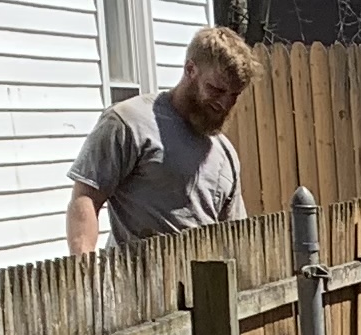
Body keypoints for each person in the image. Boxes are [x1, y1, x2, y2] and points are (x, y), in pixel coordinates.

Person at [65, 26, 256, 252]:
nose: (224, 104)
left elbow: (235, 237)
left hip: (203, 284)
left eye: (234, 95)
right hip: (134, 283)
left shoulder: (225, 155)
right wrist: (85, 273)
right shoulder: (129, 122)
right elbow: (86, 197)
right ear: (190, 69)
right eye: (215, 89)